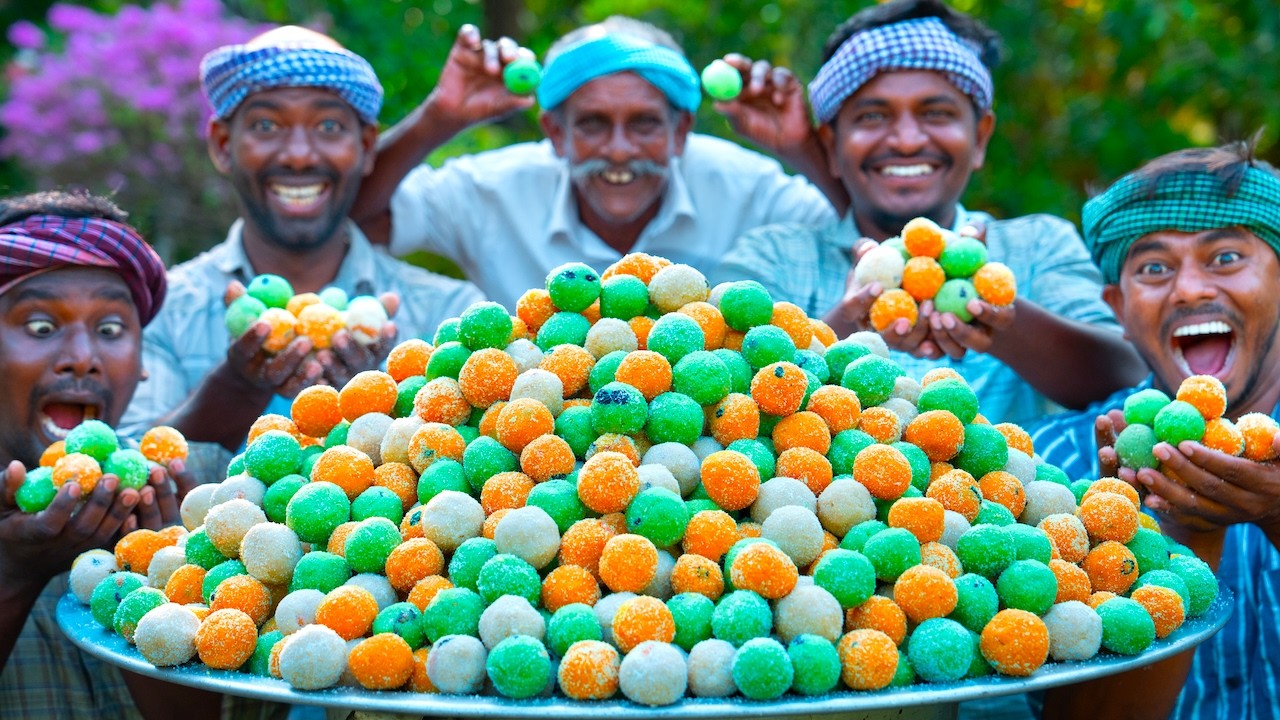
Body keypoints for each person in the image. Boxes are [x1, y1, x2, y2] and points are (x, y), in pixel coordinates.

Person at [712, 0, 1146, 426]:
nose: (905, 139)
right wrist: (846, 325)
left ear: (979, 137)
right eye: (872, 116)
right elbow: (723, 398)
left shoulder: (1038, 245)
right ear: (830, 144)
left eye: (936, 113)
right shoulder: (774, 257)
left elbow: (1128, 375)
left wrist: (1001, 319)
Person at [120, 27, 484, 468]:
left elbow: (474, 476)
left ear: (366, 147)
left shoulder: (448, 315)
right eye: (266, 125)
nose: (298, 155)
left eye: (328, 126)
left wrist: (377, 406)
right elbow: (126, 483)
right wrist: (236, 389)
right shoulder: (160, 311)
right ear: (222, 144)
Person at [1029, 140, 1280, 720]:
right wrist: (1154, 537)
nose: (1189, 289)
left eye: (1225, 258)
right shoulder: (1051, 475)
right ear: (1118, 307)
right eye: (1154, 268)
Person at [348, 16, 837, 310]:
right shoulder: (494, 190)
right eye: (593, 124)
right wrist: (439, 118)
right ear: (556, 133)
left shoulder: (741, 184)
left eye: (644, 124)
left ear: (681, 132)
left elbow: (860, 233)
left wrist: (800, 148)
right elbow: (354, 217)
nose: (619, 150)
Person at [0, 191, 256, 720]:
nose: (82, 359)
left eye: (111, 329)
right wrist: (13, 574)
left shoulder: (216, 498)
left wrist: (166, 591)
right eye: (41, 327)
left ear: (142, 360)